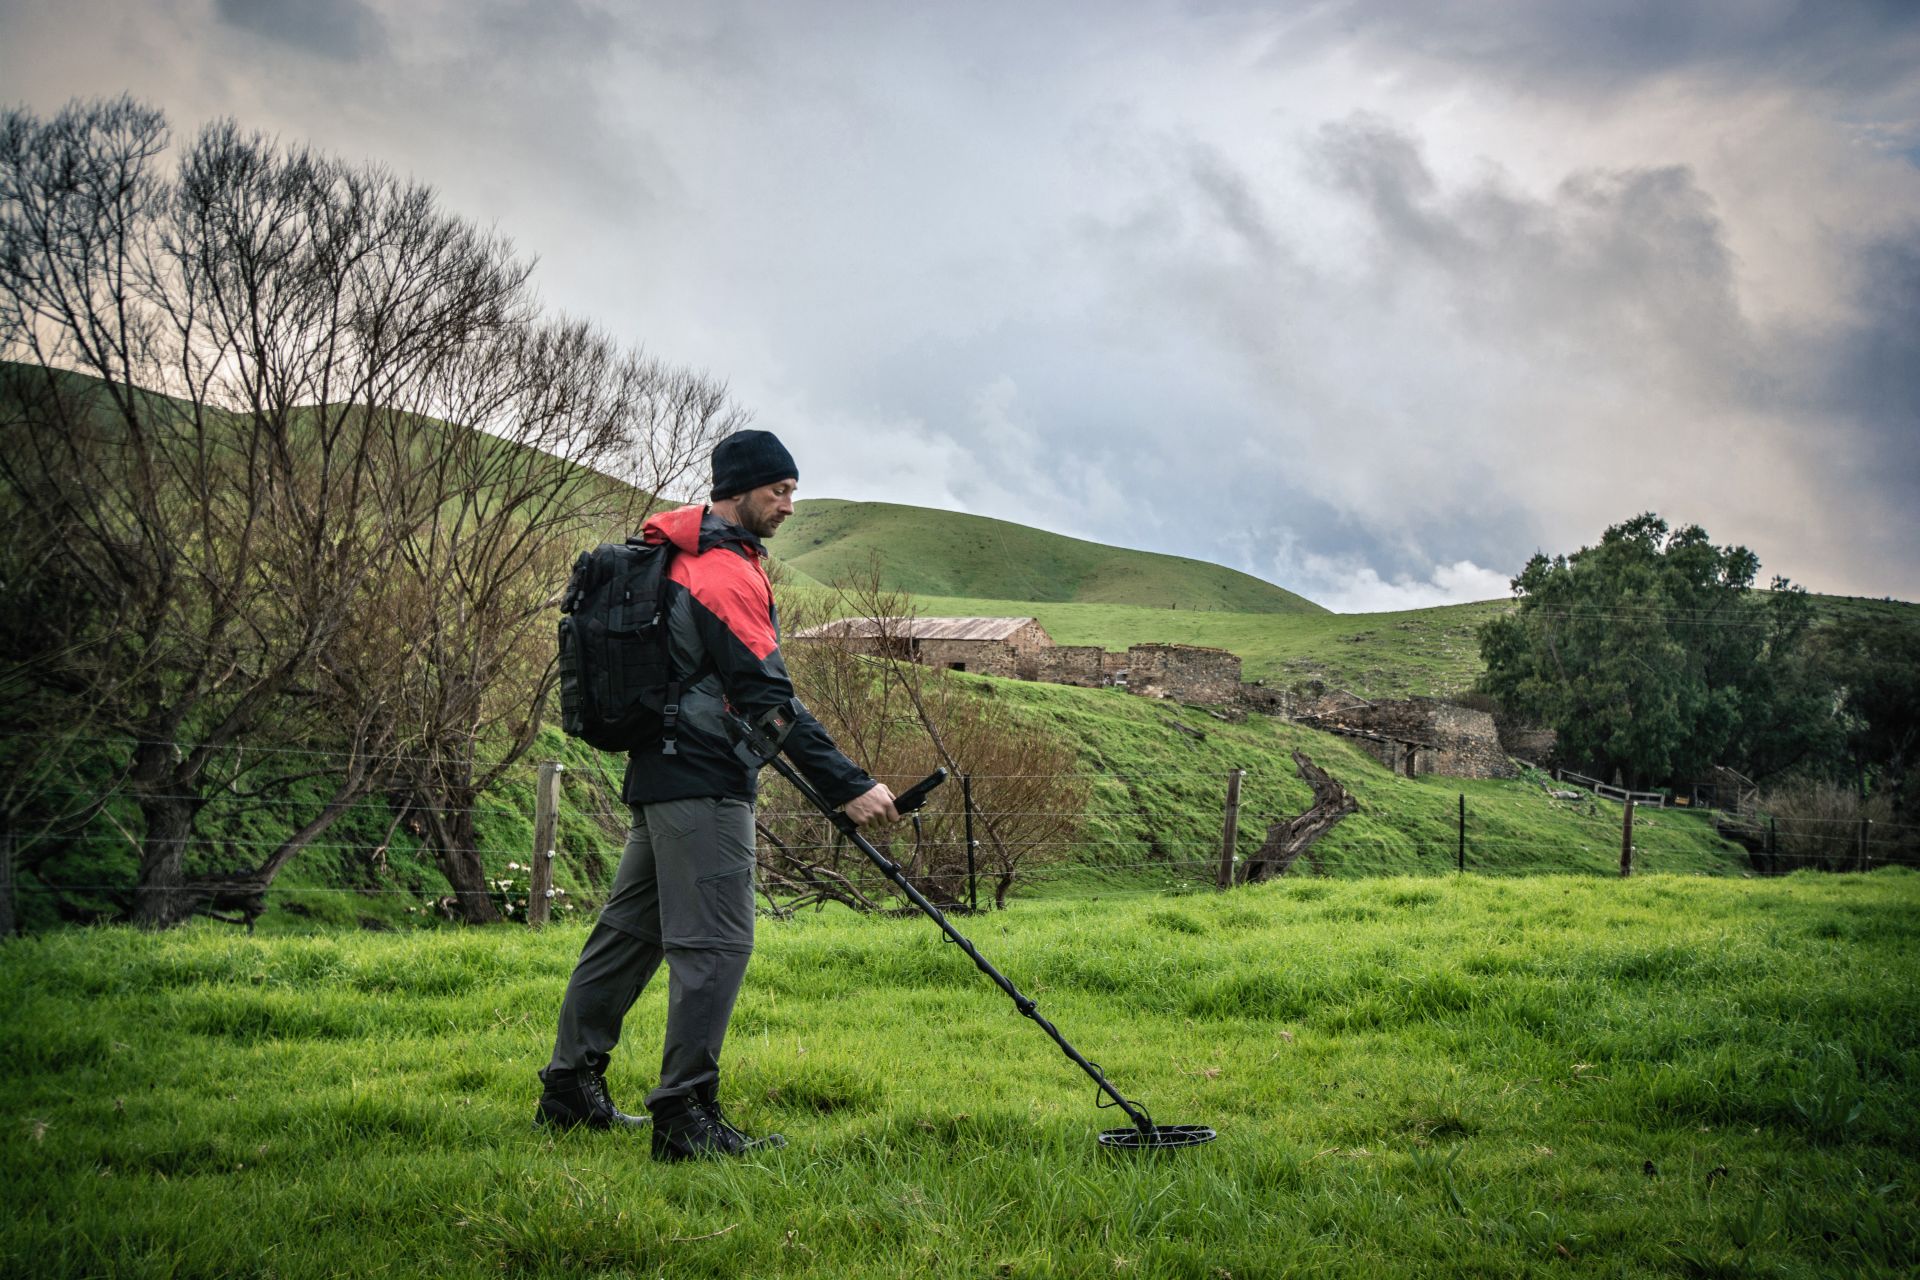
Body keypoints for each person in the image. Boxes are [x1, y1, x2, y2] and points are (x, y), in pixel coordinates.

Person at [535, 428, 898, 1160]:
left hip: (664, 773)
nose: (789, 505)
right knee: (717, 946)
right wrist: (848, 786)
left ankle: (570, 1090)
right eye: (778, 491)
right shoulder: (722, 572)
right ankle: (685, 1116)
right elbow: (767, 697)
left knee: (629, 937)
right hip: (702, 780)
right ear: (736, 491)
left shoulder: (683, 554)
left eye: (794, 490)